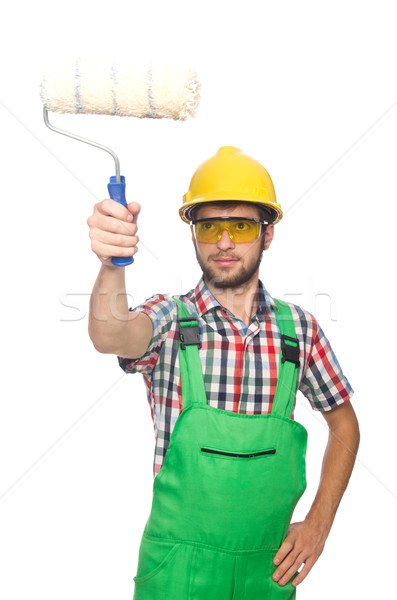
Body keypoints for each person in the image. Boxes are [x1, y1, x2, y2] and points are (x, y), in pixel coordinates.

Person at [87, 146, 360, 599]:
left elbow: (344, 424)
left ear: (267, 234)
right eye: (210, 226)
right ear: (194, 234)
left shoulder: (300, 331)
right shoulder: (170, 319)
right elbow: (111, 336)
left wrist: (319, 523)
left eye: (242, 225)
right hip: (178, 569)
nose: (225, 241)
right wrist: (111, 262)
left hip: (269, 568)